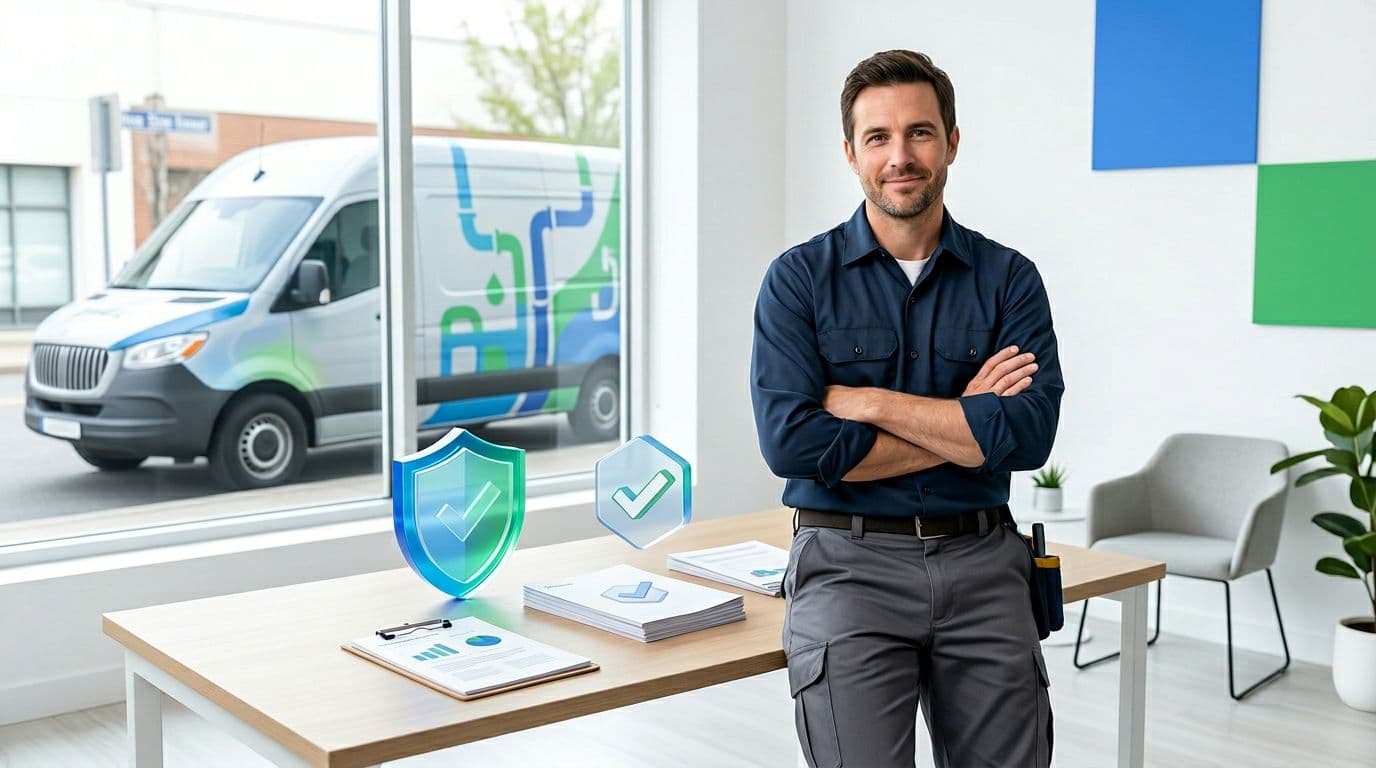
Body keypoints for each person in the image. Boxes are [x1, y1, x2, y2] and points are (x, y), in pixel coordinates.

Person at [749, 49, 1064, 768]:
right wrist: (966, 421)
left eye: (920, 133)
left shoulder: (1009, 279)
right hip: (846, 567)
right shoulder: (798, 281)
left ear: (952, 141)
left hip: (986, 564)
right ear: (851, 153)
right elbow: (794, 446)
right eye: (879, 138)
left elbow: (1030, 431)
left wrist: (868, 402)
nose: (901, 156)